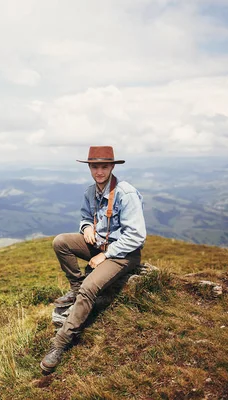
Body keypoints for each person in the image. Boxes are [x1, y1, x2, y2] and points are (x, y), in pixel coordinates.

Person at [40, 145, 146, 375]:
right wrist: (86, 227)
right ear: (89, 167)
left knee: (90, 288)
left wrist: (105, 255)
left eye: (104, 166)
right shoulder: (91, 192)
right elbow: (86, 216)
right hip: (99, 245)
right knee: (61, 241)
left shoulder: (125, 194)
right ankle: (75, 286)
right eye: (95, 166)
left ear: (111, 167)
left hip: (122, 253)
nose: (99, 171)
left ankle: (61, 343)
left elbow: (136, 236)